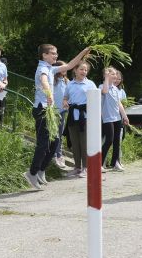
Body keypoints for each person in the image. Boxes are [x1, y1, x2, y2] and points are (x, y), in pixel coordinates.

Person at [23, 44, 91, 190]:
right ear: (44, 55)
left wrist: (83, 52)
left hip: (51, 110)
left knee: (55, 143)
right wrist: (48, 94)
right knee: (43, 144)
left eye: (56, 53)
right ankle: (31, 173)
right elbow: (44, 82)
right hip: (42, 110)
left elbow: (71, 65)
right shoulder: (42, 69)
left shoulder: (50, 68)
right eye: (53, 53)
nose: (56, 55)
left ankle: (41, 170)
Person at [63, 62, 97, 178]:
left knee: (84, 143)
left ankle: (86, 168)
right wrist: (65, 101)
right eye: (81, 69)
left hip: (85, 117)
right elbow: (66, 97)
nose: (84, 72)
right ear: (75, 70)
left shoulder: (90, 84)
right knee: (74, 143)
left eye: (86, 70)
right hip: (73, 116)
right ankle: (77, 167)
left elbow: (95, 101)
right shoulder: (70, 84)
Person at [100, 67, 130, 172]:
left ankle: (115, 162)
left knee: (117, 141)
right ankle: (100, 163)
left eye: (115, 74)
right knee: (109, 140)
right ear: (106, 76)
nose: (115, 76)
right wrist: (107, 79)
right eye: (112, 74)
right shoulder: (102, 86)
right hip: (107, 118)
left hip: (117, 118)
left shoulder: (116, 89)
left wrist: (124, 116)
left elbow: (119, 104)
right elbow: (105, 91)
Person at [52, 62, 70, 170]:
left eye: (65, 68)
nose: (64, 69)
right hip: (53, 111)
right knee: (53, 134)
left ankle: (59, 154)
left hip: (63, 112)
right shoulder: (52, 81)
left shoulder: (67, 81)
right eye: (62, 67)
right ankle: (54, 155)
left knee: (60, 133)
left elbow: (68, 96)